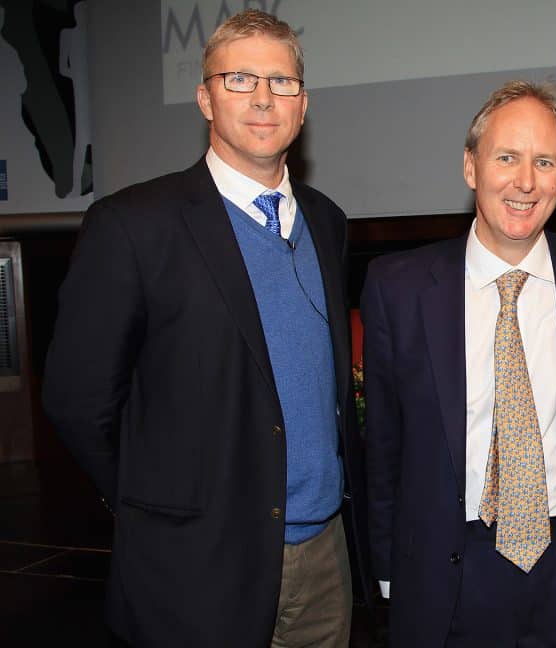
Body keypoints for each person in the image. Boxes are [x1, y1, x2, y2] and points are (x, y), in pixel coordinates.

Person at [43, 10, 369, 647]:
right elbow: (78, 401)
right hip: (197, 565)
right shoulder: (133, 225)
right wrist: (157, 509)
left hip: (325, 559)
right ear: (204, 98)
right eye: (240, 78)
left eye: (281, 82)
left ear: (303, 106)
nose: (263, 98)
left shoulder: (327, 221)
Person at [361, 79, 556, 647]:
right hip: (446, 569)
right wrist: (388, 570)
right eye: (506, 157)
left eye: (544, 162)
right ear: (471, 167)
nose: (524, 181)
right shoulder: (399, 286)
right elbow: (382, 445)